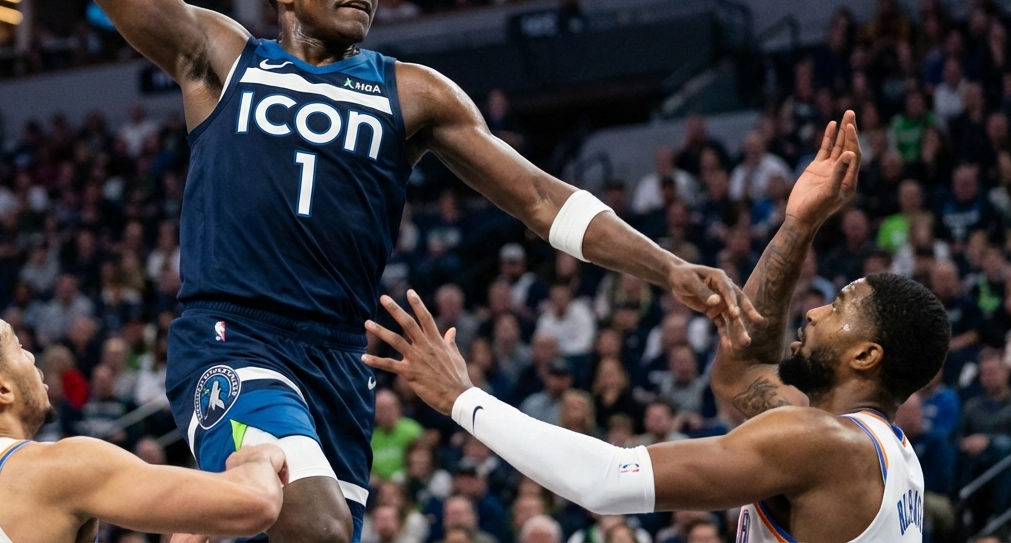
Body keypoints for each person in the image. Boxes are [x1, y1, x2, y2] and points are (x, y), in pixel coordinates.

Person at [41, 0, 758, 538]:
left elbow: (540, 200)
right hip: (233, 336)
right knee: (312, 525)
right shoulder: (222, 58)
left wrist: (668, 268)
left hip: (339, 356)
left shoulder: (414, 92)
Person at [366, 112, 956, 542]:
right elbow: (743, 370)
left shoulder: (824, 445)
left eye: (839, 307)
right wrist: (798, 225)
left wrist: (463, 399)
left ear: (866, 356)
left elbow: (605, 481)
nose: (814, 310)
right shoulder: (883, 454)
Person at [0, 303, 286, 543]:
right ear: (0, 389)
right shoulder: (50, 470)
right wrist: (256, 457)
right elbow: (256, 503)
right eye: (18, 348)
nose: (32, 358)